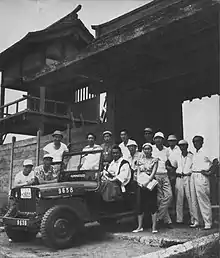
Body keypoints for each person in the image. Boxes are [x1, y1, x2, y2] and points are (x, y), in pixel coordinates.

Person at [132, 143, 158, 233]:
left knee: (152, 204)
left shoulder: (154, 160)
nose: (147, 151)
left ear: (151, 150)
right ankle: (140, 226)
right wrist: (140, 182)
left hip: (151, 184)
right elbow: (138, 172)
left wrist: (147, 182)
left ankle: (154, 227)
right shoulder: (140, 160)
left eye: (148, 149)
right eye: (145, 149)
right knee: (140, 205)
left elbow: (153, 173)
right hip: (141, 184)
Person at [190, 135, 212, 229]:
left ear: (202, 142)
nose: (196, 143)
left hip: (201, 176)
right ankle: (197, 221)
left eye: (198, 141)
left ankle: (208, 222)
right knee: (194, 200)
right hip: (193, 175)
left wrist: (209, 172)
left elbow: (215, 162)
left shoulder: (207, 151)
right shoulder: (195, 153)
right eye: (194, 142)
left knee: (203, 199)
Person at [152, 132, 173, 228]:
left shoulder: (167, 150)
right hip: (155, 175)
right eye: (156, 138)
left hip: (164, 175)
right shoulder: (151, 149)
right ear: (154, 140)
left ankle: (158, 218)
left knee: (169, 196)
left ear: (163, 140)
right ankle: (168, 221)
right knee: (159, 199)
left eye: (160, 138)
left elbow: (171, 163)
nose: (158, 140)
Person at [175, 140, 193, 224]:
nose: (182, 147)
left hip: (188, 177)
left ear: (187, 145)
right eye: (180, 145)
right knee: (179, 199)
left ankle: (193, 218)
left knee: (190, 198)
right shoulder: (177, 156)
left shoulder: (191, 156)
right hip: (179, 177)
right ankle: (179, 219)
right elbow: (172, 165)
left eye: (184, 145)